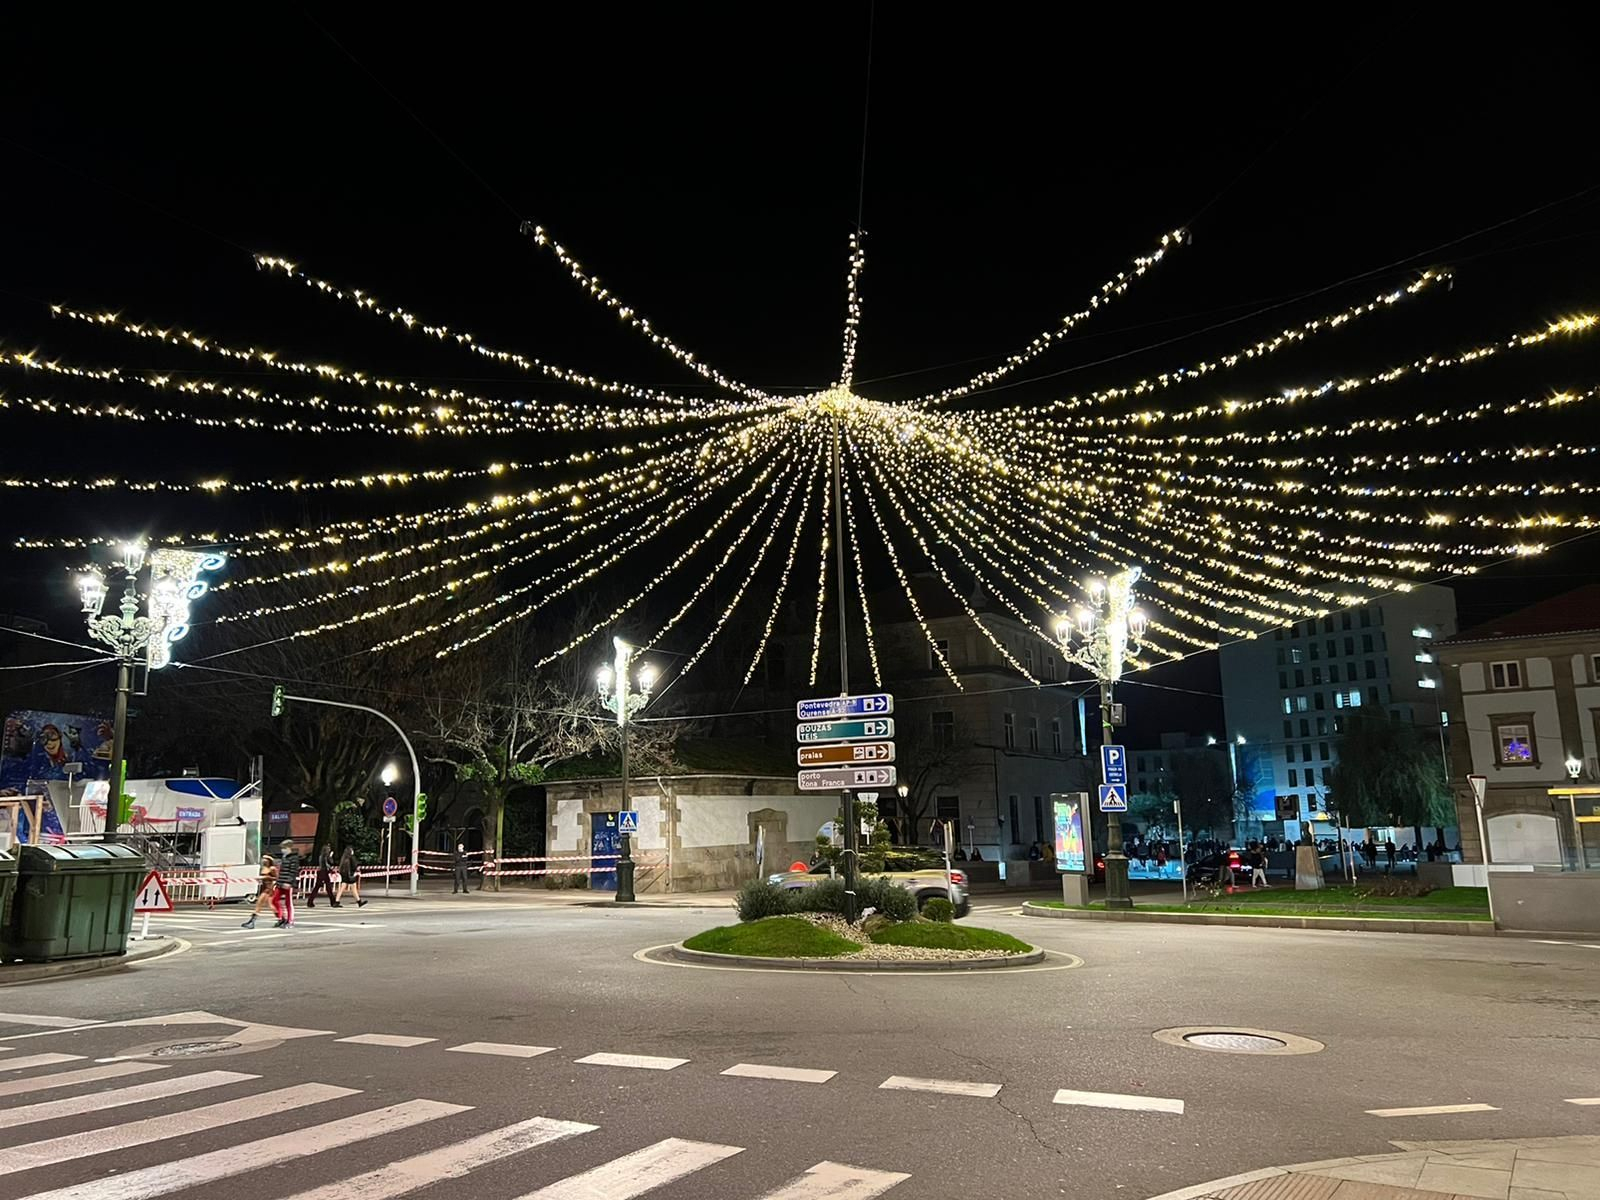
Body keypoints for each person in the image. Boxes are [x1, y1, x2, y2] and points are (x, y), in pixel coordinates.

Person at [241, 854, 277, 928]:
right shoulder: (263, 868)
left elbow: (276, 878)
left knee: (259, 904)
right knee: (270, 905)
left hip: (268, 888)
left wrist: (266, 877)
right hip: (263, 887)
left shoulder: (272, 868)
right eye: (263, 859)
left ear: (269, 860)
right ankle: (281, 918)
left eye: (265, 859)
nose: (263, 860)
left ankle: (252, 922)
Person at [273, 840, 301, 928]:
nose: (282, 850)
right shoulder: (284, 857)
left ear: (289, 848)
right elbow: (282, 871)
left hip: (288, 884)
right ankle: (282, 918)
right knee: (274, 900)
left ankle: (290, 921)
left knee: (288, 903)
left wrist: (288, 882)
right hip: (281, 882)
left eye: (284, 848)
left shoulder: (294, 858)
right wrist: (277, 882)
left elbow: (293, 872)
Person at [306, 844, 339, 908]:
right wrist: (330, 856)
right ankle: (333, 902)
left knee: (317, 888)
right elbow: (330, 862)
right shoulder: (326, 856)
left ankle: (310, 902)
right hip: (324, 873)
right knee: (328, 888)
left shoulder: (321, 856)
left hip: (321, 872)